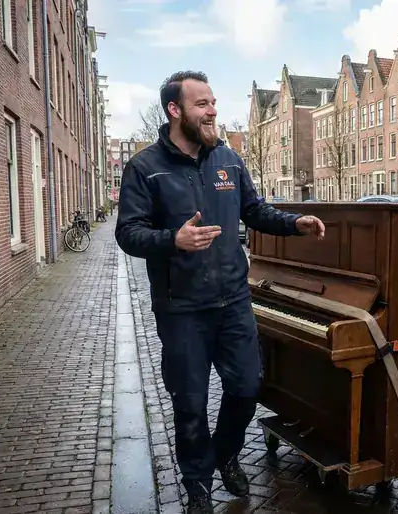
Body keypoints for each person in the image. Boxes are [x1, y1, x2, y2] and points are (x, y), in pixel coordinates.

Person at [115, 71, 325, 514]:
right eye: (202, 104)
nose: (212, 111)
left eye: (213, 102)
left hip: (233, 301)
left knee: (247, 388)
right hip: (181, 309)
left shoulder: (228, 159)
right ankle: (197, 485)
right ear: (175, 110)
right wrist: (173, 239)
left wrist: (294, 223)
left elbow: (254, 210)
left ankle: (225, 454)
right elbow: (128, 233)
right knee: (190, 404)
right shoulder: (146, 167)